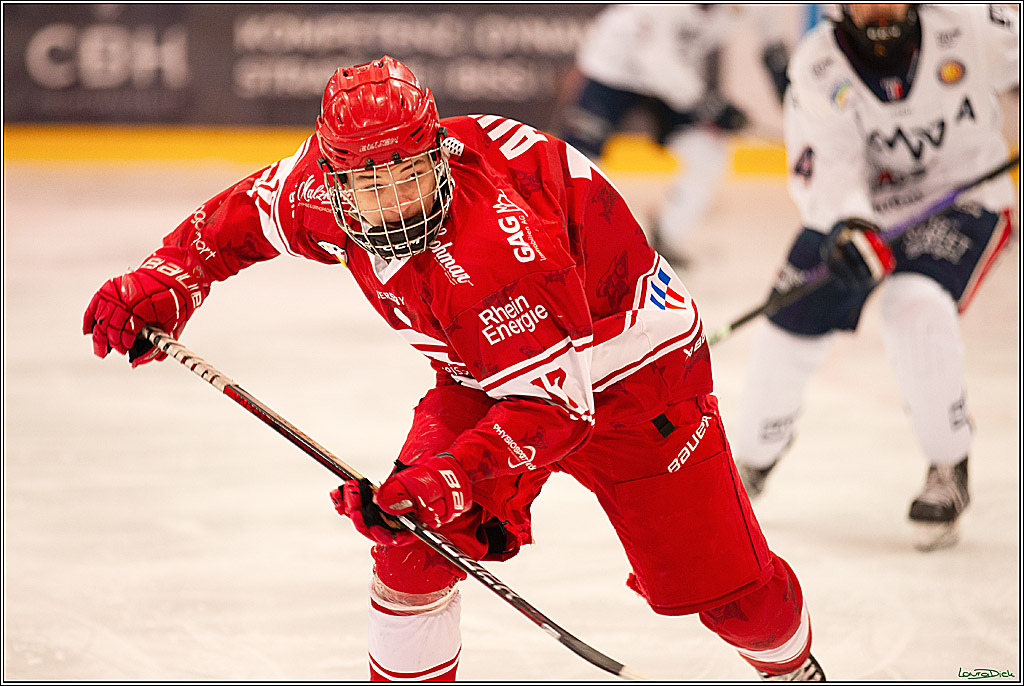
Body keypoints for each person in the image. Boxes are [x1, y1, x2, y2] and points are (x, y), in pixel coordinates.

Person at [83, 56, 825, 681]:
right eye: (367, 185)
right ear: (333, 178)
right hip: (492, 373)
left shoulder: (497, 252)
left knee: (737, 602)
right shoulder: (326, 188)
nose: (390, 202)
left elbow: (555, 410)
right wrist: (166, 280)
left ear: (436, 151)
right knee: (410, 552)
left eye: (405, 175)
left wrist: (447, 480)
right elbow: (244, 214)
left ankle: (794, 669)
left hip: (637, 382)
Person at [731, 5, 1019, 552]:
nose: (880, 6)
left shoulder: (971, 24)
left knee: (913, 305)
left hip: (965, 200)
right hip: (862, 215)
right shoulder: (817, 67)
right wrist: (851, 225)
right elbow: (828, 170)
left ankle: (947, 460)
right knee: (787, 326)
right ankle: (753, 458)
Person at [556, 4, 791, 266]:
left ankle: (667, 236)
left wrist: (791, 94)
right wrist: (709, 104)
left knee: (708, 154)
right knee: (576, 158)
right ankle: (554, 240)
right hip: (612, 69)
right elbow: (657, 62)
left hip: (675, 78)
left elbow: (773, 43)